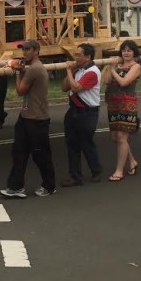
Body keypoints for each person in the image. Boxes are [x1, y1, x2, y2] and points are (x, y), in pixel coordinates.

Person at [0, 39, 57, 198]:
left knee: (41, 155)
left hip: (37, 118)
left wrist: (17, 72)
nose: (25, 52)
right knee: (19, 152)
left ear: (37, 50)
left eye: (28, 49)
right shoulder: (31, 68)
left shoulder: (35, 69)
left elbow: (20, 90)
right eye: (23, 49)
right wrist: (21, 70)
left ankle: (49, 185)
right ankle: (16, 187)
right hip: (25, 116)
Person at [61, 43, 103, 187]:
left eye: (78, 55)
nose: (75, 57)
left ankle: (96, 170)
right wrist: (71, 71)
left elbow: (76, 87)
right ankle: (75, 176)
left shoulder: (92, 71)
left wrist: (68, 70)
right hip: (73, 110)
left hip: (87, 112)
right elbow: (64, 87)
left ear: (88, 57)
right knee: (72, 144)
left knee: (87, 143)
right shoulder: (78, 70)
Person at [102, 40, 141, 181]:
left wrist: (113, 70)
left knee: (121, 137)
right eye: (124, 50)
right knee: (115, 138)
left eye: (129, 50)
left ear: (134, 53)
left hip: (127, 103)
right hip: (113, 103)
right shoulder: (117, 65)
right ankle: (132, 161)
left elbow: (124, 82)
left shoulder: (135, 66)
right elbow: (106, 81)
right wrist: (109, 67)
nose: (126, 53)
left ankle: (119, 171)